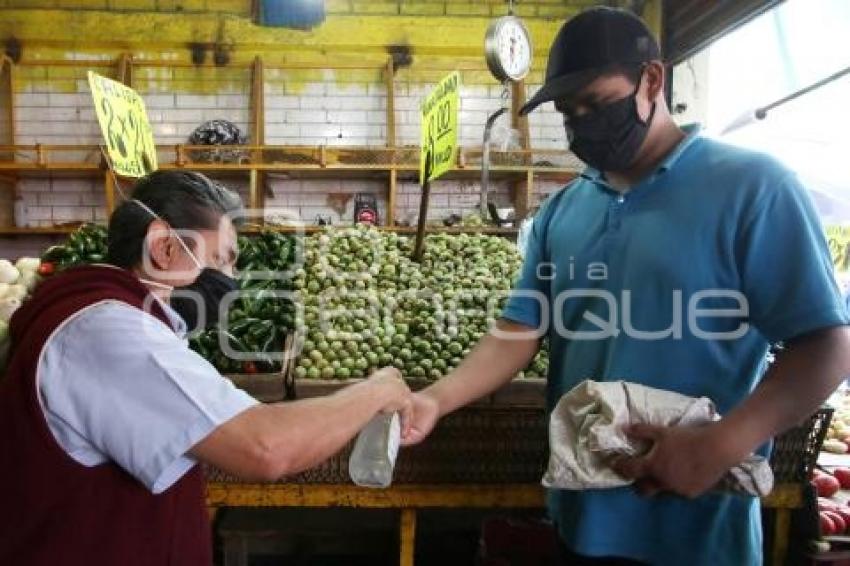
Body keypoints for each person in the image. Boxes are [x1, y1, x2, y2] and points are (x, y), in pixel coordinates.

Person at [403, 7, 850, 566]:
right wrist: (434, 400)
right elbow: (519, 331)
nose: (582, 124)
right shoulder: (563, 211)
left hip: (698, 531)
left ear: (652, 81)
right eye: (569, 113)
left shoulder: (753, 189)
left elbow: (827, 345)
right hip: (579, 516)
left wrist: (723, 443)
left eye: (596, 102)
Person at [0, 170, 413, 566]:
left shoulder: (95, 312)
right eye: (222, 259)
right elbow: (265, 448)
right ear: (163, 246)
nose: (230, 280)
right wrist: (377, 389)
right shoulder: (108, 332)